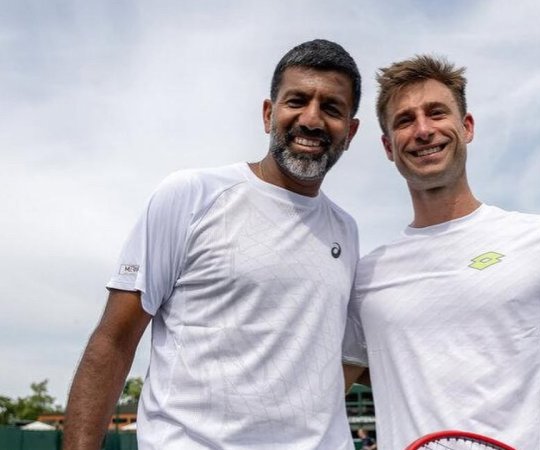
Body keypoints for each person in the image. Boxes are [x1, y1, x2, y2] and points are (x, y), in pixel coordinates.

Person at [64, 39, 362, 450]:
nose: (311, 119)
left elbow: (333, 361)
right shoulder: (191, 195)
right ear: (268, 114)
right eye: (297, 101)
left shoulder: (347, 231)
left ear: (350, 131)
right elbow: (114, 341)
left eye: (331, 108)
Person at [343, 55, 540, 449]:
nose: (423, 130)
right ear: (388, 146)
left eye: (436, 113)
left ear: (467, 127)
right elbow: (323, 392)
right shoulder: (365, 278)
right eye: (404, 120)